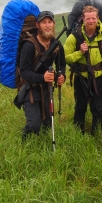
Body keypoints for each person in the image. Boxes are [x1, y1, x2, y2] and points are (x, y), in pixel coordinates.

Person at [64, 5, 102, 134]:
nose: (91, 21)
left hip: (98, 78)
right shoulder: (74, 37)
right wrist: (79, 53)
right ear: (83, 19)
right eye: (88, 18)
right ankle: (78, 133)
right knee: (80, 106)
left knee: (97, 108)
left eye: (93, 18)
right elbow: (66, 58)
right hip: (81, 78)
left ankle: (96, 133)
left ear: (98, 19)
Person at [19, 11, 66, 140]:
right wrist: (42, 78)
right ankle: (24, 143)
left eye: (49, 22)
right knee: (34, 125)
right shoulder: (29, 45)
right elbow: (24, 72)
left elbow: (61, 64)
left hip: (47, 89)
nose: (47, 25)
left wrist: (61, 76)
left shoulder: (56, 44)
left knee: (48, 124)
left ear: (54, 24)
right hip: (31, 90)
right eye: (44, 22)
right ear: (37, 25)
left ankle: (43, 147)